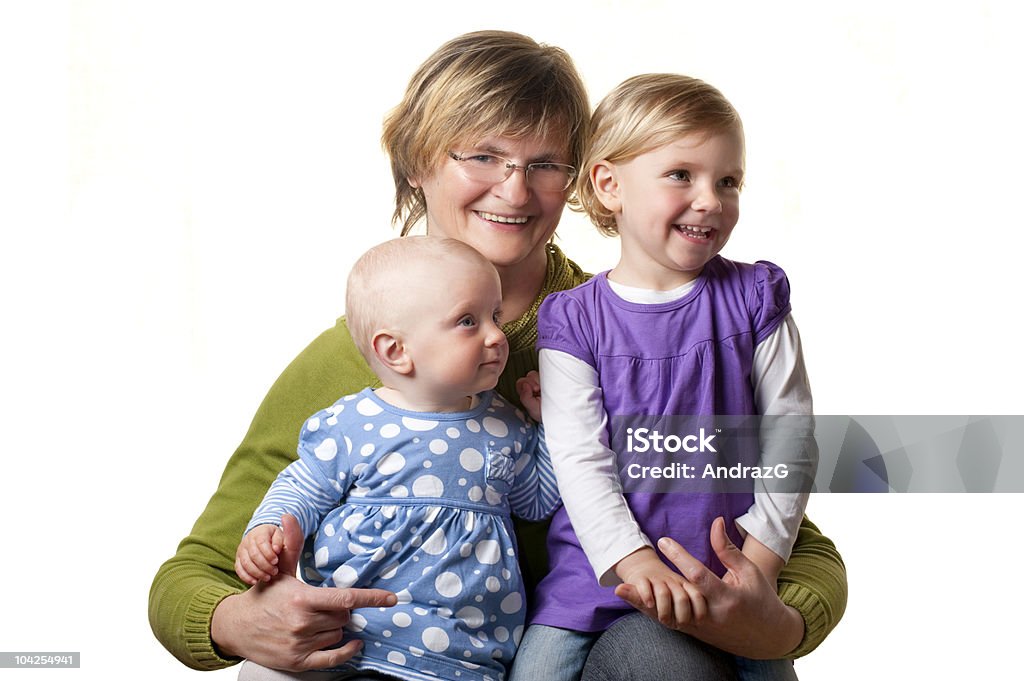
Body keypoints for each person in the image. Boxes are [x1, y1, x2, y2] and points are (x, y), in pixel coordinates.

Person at [148, 30, 847, 679]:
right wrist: (240, 620)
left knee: (662, 648)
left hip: (593, 650)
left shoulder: (627, 331)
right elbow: (192, 574)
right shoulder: (347, 361)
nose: (513, 190)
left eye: (543, 164)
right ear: (418, 162)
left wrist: (779, 622)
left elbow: (787, 532)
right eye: (480, 155)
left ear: (582, 180)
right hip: (384, 654)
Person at [510, 74, 818, 681]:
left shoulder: (754, 298)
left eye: (727, 181)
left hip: (733, 576)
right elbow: (579, 459)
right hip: (598, 577)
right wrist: (632, 561)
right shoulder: (573, 319)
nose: (710, 199)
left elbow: (792, 437)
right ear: (609, 184)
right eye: (681, 175)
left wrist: (760, 559)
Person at [233, 236, 559, 681]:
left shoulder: (508, 427)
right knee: (261, 674)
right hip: (344, 638)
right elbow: (301, 488)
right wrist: (266, 530)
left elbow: (536, 501)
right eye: (468, 321)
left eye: (495, 316)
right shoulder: (352, 423)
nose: (497, 335)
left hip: (456, 656)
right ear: (396, 352)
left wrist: (549, 426)